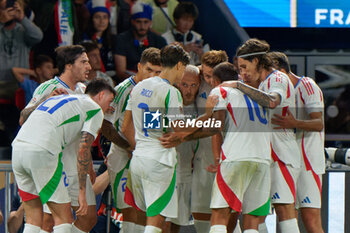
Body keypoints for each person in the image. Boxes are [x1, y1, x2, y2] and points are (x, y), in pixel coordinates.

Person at [12, 79, 116, 233]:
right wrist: (82, 192)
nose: (110, 107)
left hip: (18, 148)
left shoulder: (60, 98)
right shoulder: (95, 109)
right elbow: (83, 149)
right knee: (63, 217)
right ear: (101, 95)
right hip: (42, 151)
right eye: (110, 101)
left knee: (33, 219)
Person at [223, 38, 301, 233]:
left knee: (285, 211)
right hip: (262, 155)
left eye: (244, 67)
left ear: (256, 61)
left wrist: (239, 86)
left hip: (282, 153)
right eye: (239, 69)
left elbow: (272, 101)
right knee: (254, 214)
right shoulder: (258, 84)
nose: (242, 73)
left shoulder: (277, 78)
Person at [19, 45, 95, 233]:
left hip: (76, 164)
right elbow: (22, 118)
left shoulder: (84, 90)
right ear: (69, 66)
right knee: (49, 221)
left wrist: (89, 164)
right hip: (53, 162)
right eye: (84, 62)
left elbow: (85, 131)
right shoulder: (49, 87)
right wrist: (45, 99)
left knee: (89, 217)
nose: (89, 66)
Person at [120, 44, 189, 233]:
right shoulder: (171, 92)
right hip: (160, 161)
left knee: (143, 218)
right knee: (156, 222)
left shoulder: (139, 86)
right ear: (179, 66)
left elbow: (126, 127)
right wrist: (206, 123)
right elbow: (180, 129)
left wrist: (141, 147)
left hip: (139, 158)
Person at [101, 47, 162, 233]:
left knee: (144, 208)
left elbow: (152, 127)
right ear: (138, 67)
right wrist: (129, 146)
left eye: (158, 72)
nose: (153, 75)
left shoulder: (157, 92)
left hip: (144, 155)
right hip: (122, 156)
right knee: (128, 208)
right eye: (149, 70)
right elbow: (105, 126)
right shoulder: (121, 90)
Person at [269, 52, 325, 233]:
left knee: (311, 221)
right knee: (285, 215)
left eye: (273, 74)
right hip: (288, 160)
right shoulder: (277, 95)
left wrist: (294, 124)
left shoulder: (307, 85)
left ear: (283, 71)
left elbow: (319, 123)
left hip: (308, 161)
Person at [191, 50, 229, 233]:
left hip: (227, 150)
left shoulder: (231, 86)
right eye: (206, 75)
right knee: (200, 208)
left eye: (213, 76)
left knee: (228, 212)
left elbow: (216, 126)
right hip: (202, 151)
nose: (209, 80)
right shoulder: (197, 77)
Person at [164, 65, 200, 233]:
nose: (188, 90)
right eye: (185, 84)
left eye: (193, 85)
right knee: (163, 220)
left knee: (178, 221)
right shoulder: (169, 101)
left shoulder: (201, 106)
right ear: (178, 83)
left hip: (188, 170)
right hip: (168, 169)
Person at [0, 0, 43, 145]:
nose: (8, 11)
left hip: (18, 85)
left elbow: (38, 36)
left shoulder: (23, 30)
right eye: (4, 8)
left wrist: (22, 18)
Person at [113, 1, 167, 81]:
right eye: (138, 22)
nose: (142, 26)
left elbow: (165, 69)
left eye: (146, 22)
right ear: (132, 21)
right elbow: (121, 72)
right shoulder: (121, 39)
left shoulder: (159, 41)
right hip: (130, 82)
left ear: (150, 23)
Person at [84, 0, 115, 74]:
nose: (102, 21)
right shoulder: (83, 40)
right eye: (97, 17)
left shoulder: (113, 39)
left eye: (105, 17)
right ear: (91, 19)